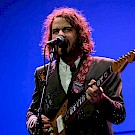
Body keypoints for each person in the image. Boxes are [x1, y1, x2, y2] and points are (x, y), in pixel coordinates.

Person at [26, 7, 126, 135]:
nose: (60, 34)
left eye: (67, 29)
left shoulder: (106, 66)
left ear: (79, 34)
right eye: (56, 31)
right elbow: (32, 112)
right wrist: (35, 123)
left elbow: (119, 116)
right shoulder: (42, 73)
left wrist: (101, 100)